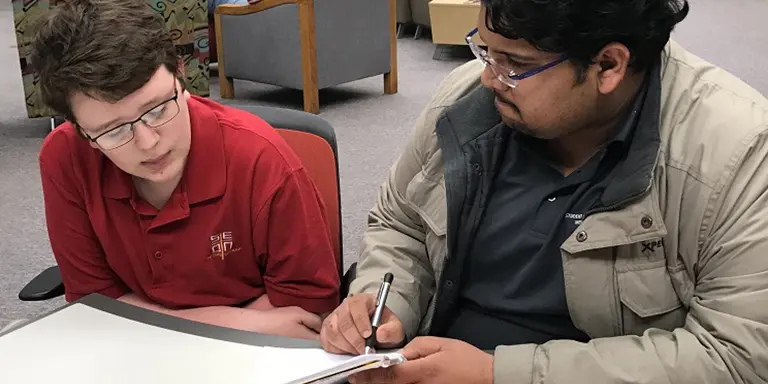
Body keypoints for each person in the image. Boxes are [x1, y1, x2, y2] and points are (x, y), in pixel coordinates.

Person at [320, 0, 768, 382]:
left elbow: (735, 356)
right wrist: (383, 304)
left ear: (609, 65)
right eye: (485, 50)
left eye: (516, 65)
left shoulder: (735, 153)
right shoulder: (465, 107)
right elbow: (402, 223)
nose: (488, 78)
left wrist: (497, 374)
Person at [30, 0, 340, 341]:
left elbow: (304, 313)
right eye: (114, 131)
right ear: (82, 133)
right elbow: (96, 304)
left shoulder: (261, 159)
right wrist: (235, 323)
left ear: (181, 74)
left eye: (159, 108)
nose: (148, 143)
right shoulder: (64, 157)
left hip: (252, 354)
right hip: (145, 345)